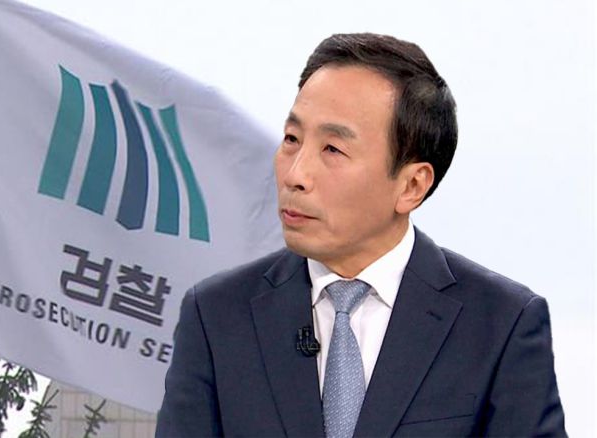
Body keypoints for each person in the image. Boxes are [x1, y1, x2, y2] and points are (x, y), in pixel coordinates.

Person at [156, 33, 566, 437]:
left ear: (411, 186)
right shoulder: (215, 316)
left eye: (332, 149)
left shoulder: (502, 325)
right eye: (292, 139)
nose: (295, 174)